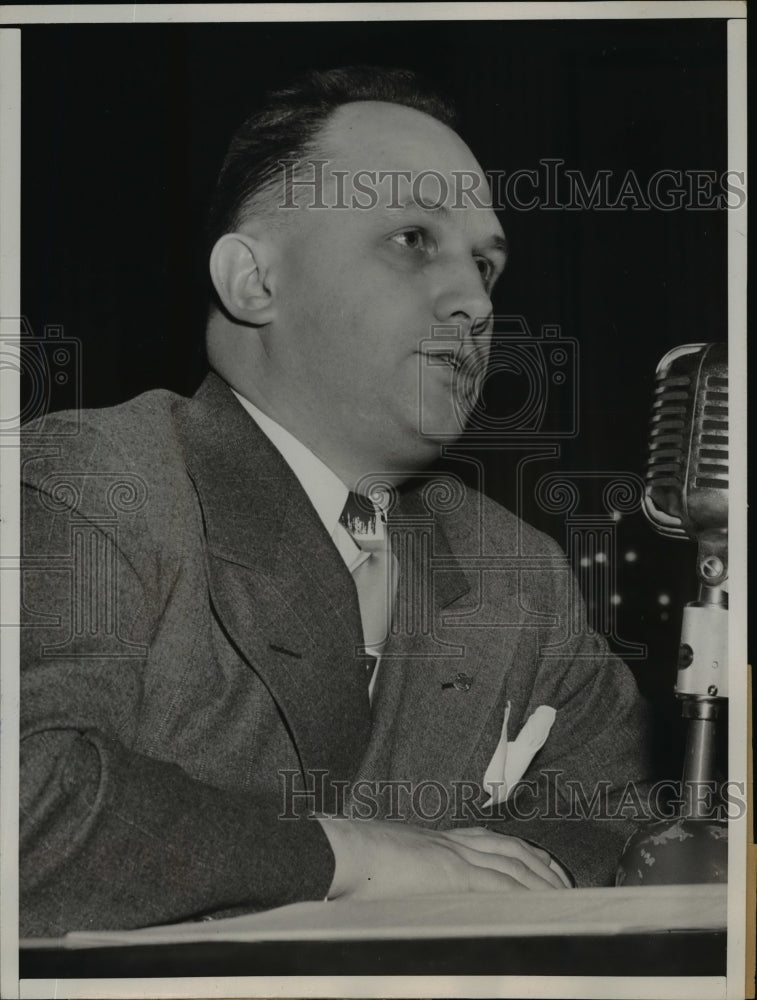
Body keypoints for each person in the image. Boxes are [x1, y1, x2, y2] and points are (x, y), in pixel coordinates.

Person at [20, 66, 652, 936]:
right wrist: (355, 858)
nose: (473, 301)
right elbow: (23, 805)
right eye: (411, 240)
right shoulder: (96, 482)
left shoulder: (520, 575)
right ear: (253, 282)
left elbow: (618, 819)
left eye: (485, 264)